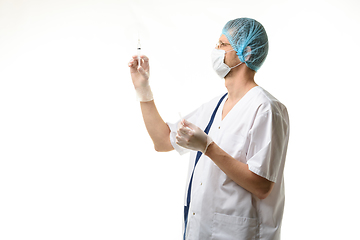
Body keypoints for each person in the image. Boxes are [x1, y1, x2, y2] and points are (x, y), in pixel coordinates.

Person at [128, 18, 289, 240]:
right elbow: (163, 140)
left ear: (247, 53)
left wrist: (207, 147)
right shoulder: (214, 107)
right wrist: (143, 90)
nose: (215, 50)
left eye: (222, 45)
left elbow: (262, 186)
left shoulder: (266, 109)